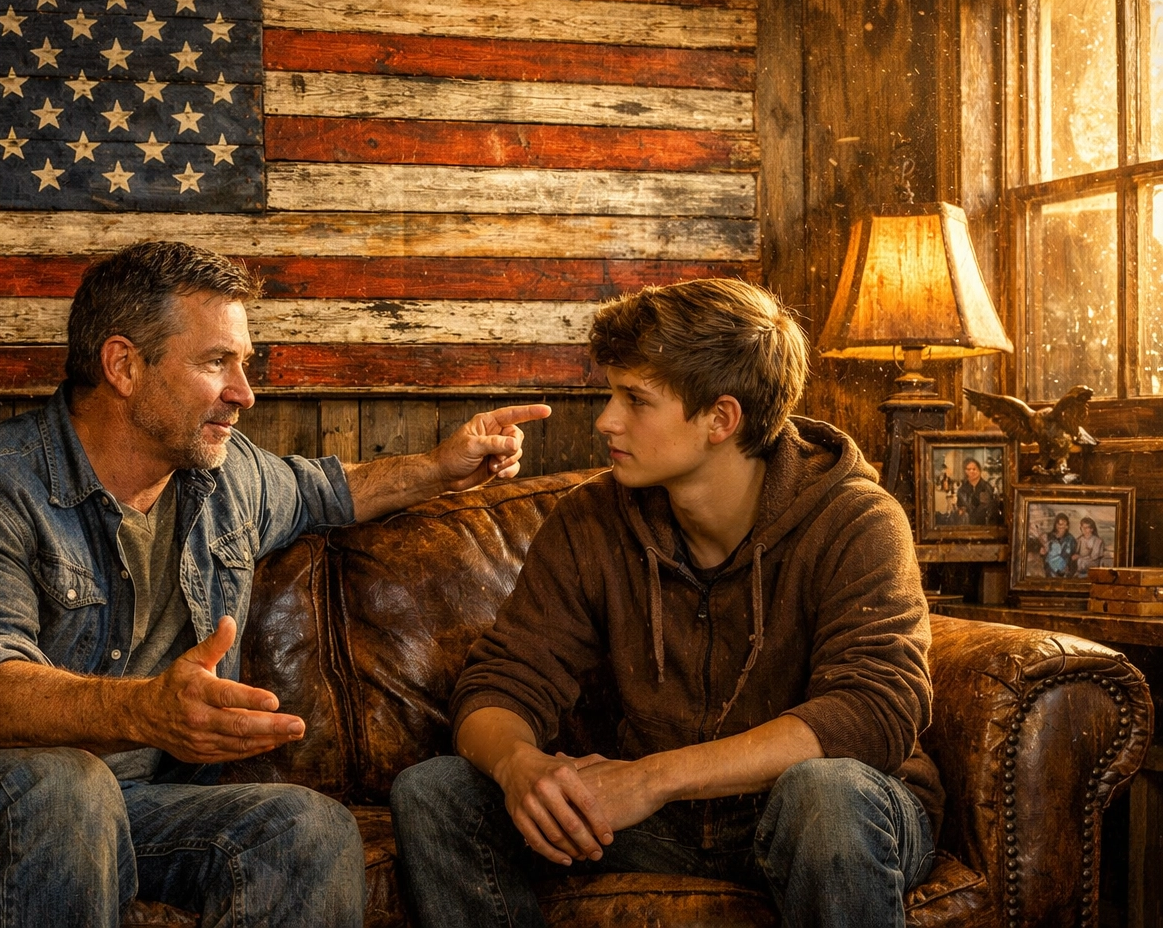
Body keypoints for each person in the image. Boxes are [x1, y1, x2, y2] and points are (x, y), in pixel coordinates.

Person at [0, 241, 549, 928]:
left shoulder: (223, 476)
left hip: (124, 804)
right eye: (217, 362)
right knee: (61, 789)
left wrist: (441, 467)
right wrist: (149, 713)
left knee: (306, 828)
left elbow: (327, 490)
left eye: (244, 364)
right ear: (123, 366)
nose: (245, 393)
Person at [390, 279, 941, 928]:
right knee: (437, 792)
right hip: (654, 822)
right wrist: (520, 765)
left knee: (825, 795)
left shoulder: (856, 519)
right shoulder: (590, 521)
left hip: (828, 810)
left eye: (636, 399)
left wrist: (650, 778)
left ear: (720, 419)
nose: (606, 420)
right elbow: (503, 680)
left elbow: (873, 710)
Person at [955, 457, 1001, 525]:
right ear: (965, 471)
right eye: (968, 469)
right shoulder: (962, 490)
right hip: (968, 527)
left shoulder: (987, 488)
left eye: (974, 469)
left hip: (986, 526)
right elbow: (960, 508)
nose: (972, 471)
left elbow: (992, 510)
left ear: (979, 470)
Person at [1042, 513, 1077, 577]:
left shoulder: (1071, 539)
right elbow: (1044, 553)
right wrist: (1042, 552)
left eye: (1064, 524)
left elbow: (1073, 554)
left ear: (1067, 526)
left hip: (1066, 569)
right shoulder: (1049, 537)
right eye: (1059, 524)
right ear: (1056, 525)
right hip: (1051, 568)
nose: (1061, 527)